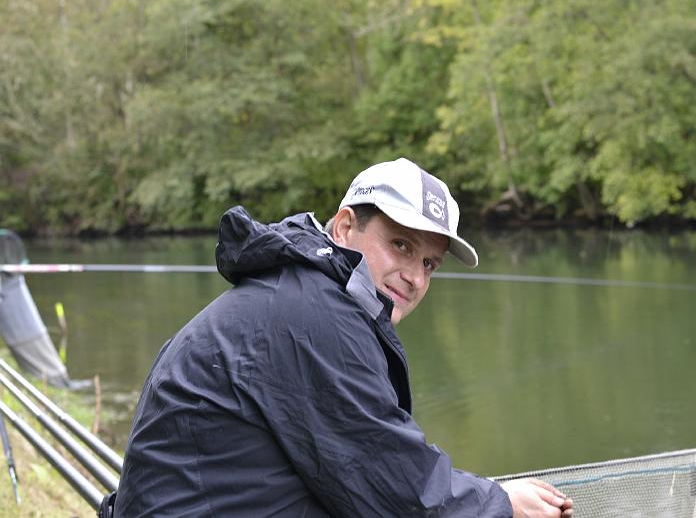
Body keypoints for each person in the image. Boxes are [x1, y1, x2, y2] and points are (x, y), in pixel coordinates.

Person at [112, 157, 573, 517]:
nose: (414, 277)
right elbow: (390, 482)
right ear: (345, 226)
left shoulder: (303, 291)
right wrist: (500, 503)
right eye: (400, 245)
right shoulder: (312, 315)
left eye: (429, 264)